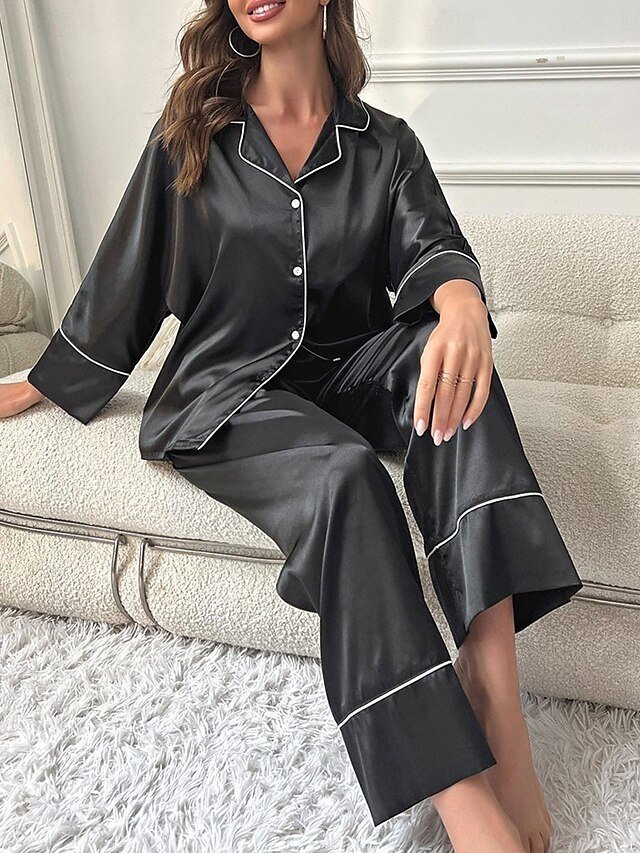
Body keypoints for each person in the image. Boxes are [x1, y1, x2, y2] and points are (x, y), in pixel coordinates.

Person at [0, 1, 584, 849]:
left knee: (459, 366)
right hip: (229, 393)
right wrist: (41, 381)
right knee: (345, 474)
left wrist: (461, 300)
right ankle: (459, 793)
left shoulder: (385, 147)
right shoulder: (191, 137)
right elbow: (121, 286)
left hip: (348, 371)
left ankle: (495, 692)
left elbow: (432, 247)